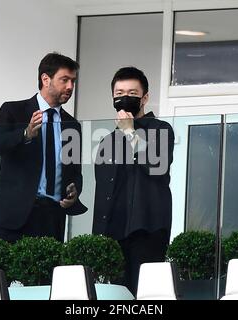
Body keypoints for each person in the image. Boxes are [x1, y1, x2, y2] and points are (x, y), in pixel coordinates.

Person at [0, 52, 87, 244]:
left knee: (46, 275)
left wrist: (75, 190)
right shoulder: (13, 110)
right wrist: (25, 134)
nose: (70, 87)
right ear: (45, 79)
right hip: (11, 218)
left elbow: (75, 171)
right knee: (3, 274)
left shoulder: (72, 125)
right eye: (64, 80)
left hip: (52, 218)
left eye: (73, 81)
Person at [92, 67, 174, 296]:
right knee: (113, 295)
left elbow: (157, 166)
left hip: (146, 229)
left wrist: (130, 132)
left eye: (131, 92)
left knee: (145, 295)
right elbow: (104, 190)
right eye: (119, 93)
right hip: (112, 232)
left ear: (145, 97)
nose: (124, 98)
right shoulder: (107, 140)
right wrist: (98, 236)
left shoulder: (161, 129)